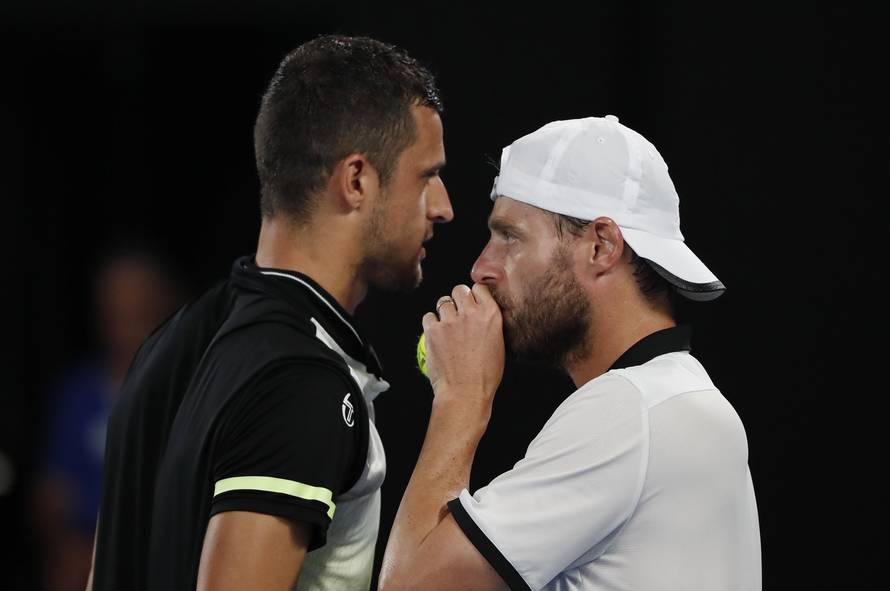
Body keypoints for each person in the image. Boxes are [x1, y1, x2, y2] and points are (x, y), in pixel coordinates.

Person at [88, 34, 452, 591]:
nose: (443, 206)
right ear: (356, 180)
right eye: (427, 175)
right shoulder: (302, 381)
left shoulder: (170, 340)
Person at [379, 115, 761, 590]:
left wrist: (461, 396)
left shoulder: (629, 409)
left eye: (510, 236)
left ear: (601, 246)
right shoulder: (678, 396)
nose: (481, 268)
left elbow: (407, 586)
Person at [32, 248, 181, 591]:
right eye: (115, 315)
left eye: (139, 313)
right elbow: (52, 494)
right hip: (87, 546)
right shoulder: (77, 393)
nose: (125, 329)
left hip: (163, 545)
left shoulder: (190, 392)